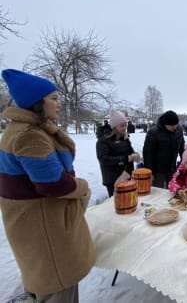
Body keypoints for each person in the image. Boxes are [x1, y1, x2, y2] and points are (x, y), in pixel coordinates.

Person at [0, 69, 94, 302]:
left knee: (47, 284)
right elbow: (53, 184)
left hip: (34, 224)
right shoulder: (30, 136)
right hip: (45, 230)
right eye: (53, 98)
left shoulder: (22, 130)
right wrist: (81, 186)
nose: (58, 104)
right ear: (36, 102)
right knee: (58, 287)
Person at [96, 110, 141, 197]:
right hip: (113, 178)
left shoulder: (124, 137)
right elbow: (104, 160)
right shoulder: (103, 141)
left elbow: (129, 152)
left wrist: (135, 155)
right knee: (117, 204)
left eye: (126, 126)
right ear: (114, 127)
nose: (125, 128)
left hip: (127, 175)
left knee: (129, 201)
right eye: (122, 126)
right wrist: (126, 158)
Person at [143, 110, 185, 188]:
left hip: (172, 168)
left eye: (175, 125)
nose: (174, 127)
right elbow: (148, 154)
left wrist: (184, 161)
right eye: (171, 126)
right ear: (165, 124)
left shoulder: (179, 130)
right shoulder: (153, 132)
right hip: (158, 170)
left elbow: (182, 147)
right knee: (158, 191)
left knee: (173, 189)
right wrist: (149, 172)